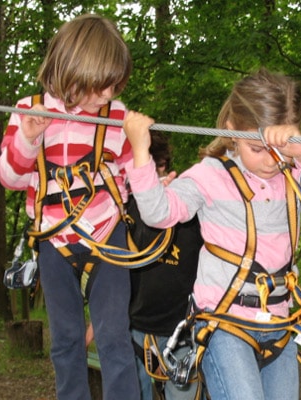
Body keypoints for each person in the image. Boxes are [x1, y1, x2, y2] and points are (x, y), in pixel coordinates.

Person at [122, 68, 301, 400]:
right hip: (225, 323)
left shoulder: (294, 174)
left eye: (283, 151)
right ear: (232, 131)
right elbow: (158, 213)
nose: (273, 162)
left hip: (279, 323)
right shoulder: (211, 175)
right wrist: (140, 152)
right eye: (258, 150)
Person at [0, 14, 140, 400]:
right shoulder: (30, 109)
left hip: (107, 233)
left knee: (113, 337)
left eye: (115, 85)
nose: (109, 94)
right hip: (52, 239)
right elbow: (10, 178)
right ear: (74, 70)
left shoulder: (117, 117)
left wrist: (156, 186)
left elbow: (135, 173)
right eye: (103, 85)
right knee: (66, 341)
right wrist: (27, 140)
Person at [127, 131, 204, 400]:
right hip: (136, 328)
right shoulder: (126, 210)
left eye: (155, 165)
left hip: (182, 329)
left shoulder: (189, 207)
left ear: (163, 165)